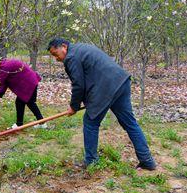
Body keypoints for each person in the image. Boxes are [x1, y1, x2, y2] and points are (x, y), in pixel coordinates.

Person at [47, 38, 156, 170]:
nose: (56, 58)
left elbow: (79, 85)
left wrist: (74, 106)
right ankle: (147, 161)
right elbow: (89, 77)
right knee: (130, 123)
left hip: (106, 87)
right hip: (121, 81)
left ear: (64, 46)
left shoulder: (71, 57)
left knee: (90, 123)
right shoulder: (81, 48)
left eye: (55, 54)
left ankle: (91, 162)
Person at [0, 50, 47, 129]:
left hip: (29, 83)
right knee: (28, 103)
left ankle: (21, 124)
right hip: (30, 82)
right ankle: (40, 123)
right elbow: (5, 82)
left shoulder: (5, 67)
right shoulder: (4, 66)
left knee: (23, 102)